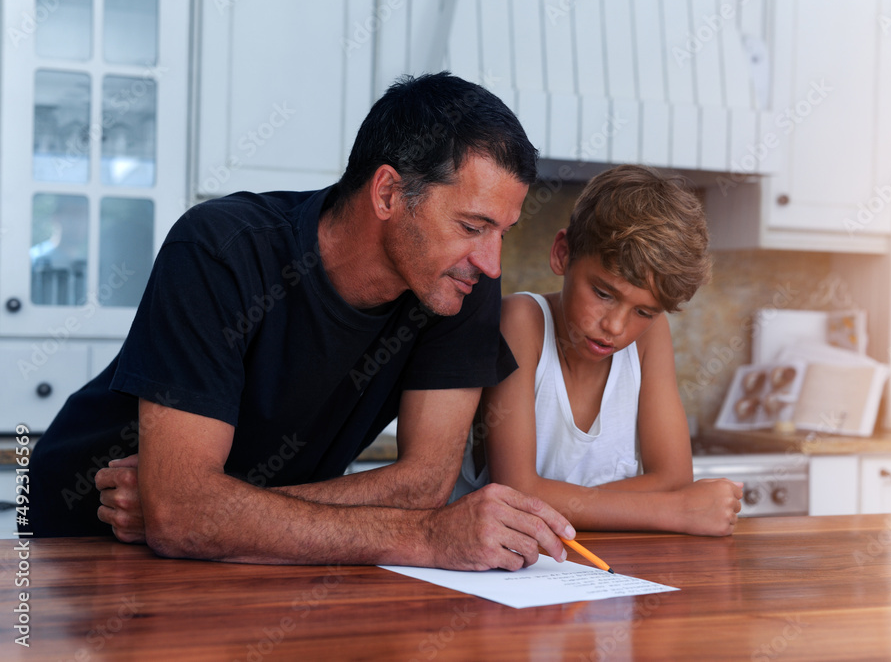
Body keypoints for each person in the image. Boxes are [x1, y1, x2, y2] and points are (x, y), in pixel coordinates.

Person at [23, 72, 577, 571]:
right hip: (79, 540)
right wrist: (426, 538)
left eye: (502, 231)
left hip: (249, 557)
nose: (492, 260)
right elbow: (184, 516)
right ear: (388, 192)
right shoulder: (220, 248)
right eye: (472, 224)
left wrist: (205, 510)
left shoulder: (460, 283)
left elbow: (423, 486)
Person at [451, 165, 743, 535]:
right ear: (562, 254)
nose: (616, 327)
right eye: (604, 294)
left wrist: (562, 503)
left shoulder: (650, 338)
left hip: (601, 571)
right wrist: (674, 511)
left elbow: (674, 477)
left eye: (644, 311)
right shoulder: (521, 322)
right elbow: (518, 491)